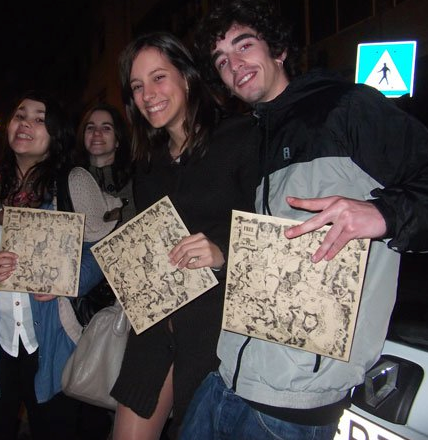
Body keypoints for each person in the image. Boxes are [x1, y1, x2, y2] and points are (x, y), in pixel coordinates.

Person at [180, 1, 428, 439]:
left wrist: (383, 213)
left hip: (294, 405)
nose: (234, 66)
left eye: (244, 46)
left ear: (278, 50)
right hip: (227, 377)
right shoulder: (254, 138)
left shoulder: (346, 107)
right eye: (221, 60)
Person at [110, 32, 260, 439]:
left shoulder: (241, 137)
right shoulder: (148, 164)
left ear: (187, 77)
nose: (147, 95)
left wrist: (222, 251)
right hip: (157, 329)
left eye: (158, 77)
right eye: (137, 86)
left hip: (217, 337)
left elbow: (273, 234)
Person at [0, 91, 109, 440]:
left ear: (56, 133)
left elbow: (102, 247)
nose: (25, 124)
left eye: (39, 118)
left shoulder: (74, 183)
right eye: (20, 115)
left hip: (55, 343)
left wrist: (68, 279)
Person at [74, 103, 136, 226]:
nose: (97, 133)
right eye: (90, 127)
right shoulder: (70, 183)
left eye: (106, 128)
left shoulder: (137, 180)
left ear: (117, 140)